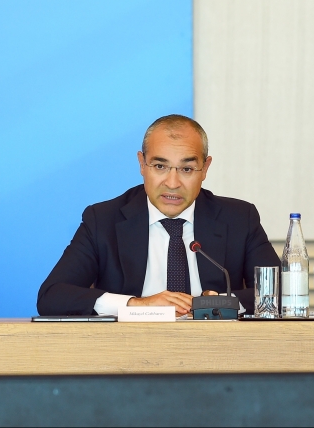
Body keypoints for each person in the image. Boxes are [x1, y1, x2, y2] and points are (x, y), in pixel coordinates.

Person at [38, 114, 280, 316]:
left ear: (205, 169)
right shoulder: (103, 220)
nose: (172, 183)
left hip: (216, 350)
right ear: (142, 164)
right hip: (127, 350)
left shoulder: (239, 218)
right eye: (160, 166)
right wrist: (137, 305)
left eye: (187, 169)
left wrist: (217, 305)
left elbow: (279, 293)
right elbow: (52, 296)